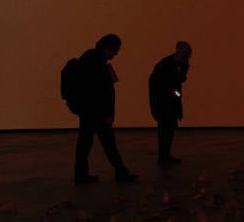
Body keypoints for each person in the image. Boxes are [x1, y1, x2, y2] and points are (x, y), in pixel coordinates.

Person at [73, 34, 139, 184]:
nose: (116, 53)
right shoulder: (96, 63)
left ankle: (81, 175)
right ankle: (120, 173)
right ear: (106, 48)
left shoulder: (90, 58)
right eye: (115, 50)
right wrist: (107, 113)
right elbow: (100, 92)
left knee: (86, 143)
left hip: (88, 111)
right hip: (96, 113)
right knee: (107, 143)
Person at [149, 41, 192, 166]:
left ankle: (165, 154)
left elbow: (180, 79)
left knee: (170, 128)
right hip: (162, 102)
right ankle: (163, 156)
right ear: (178, 52)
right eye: (184, 55)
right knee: (164, 129)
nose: (186, 58)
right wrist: (171, 91)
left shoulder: (181, 64)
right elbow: (155, 84)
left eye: (187, 55)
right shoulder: (164, 65)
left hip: (171, 101)